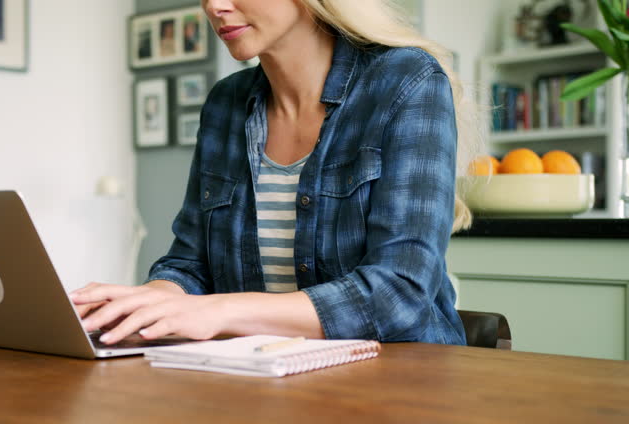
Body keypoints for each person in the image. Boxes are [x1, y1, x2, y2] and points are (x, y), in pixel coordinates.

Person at [71, 0, 481, 346]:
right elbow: (191, 264)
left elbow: (399, 294)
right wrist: (148, 303)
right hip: (265, 381)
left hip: (401, 384)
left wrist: (218, 311)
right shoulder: (226, 103)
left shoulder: (406, 81)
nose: (215, 7)